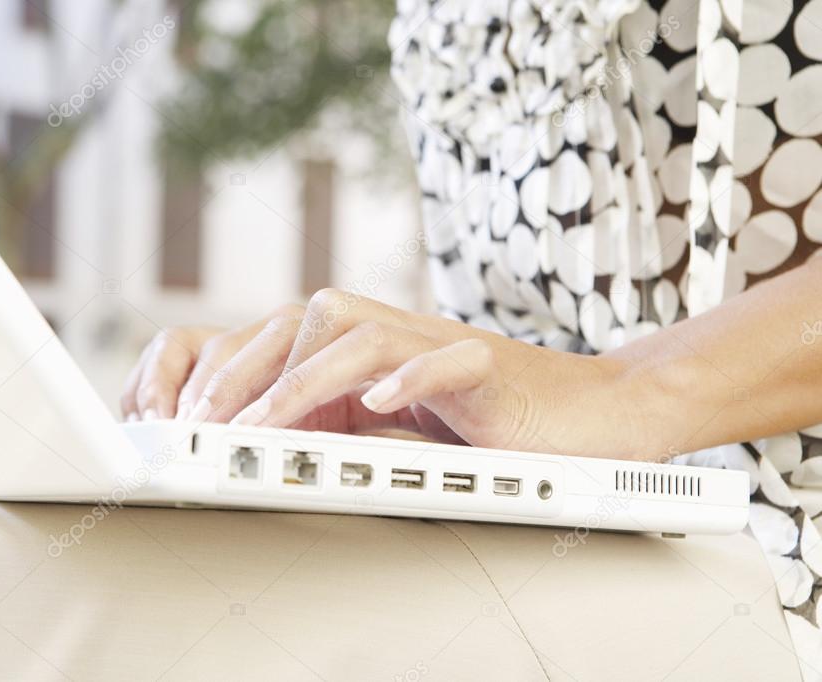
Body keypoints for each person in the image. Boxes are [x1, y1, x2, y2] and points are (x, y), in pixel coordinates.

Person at [123, 0, 822, 669]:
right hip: (548, 516)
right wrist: (406, 402)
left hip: (782, 542)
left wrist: (627, 389)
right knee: (110, 555)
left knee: (150, 609)